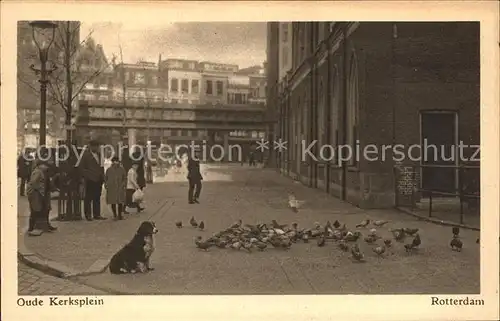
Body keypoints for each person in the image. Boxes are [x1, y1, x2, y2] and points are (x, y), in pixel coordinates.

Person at [26, 158, 57, 235]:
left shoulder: (44, 171)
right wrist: (40, 189)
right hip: (35, 193)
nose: (46, 167)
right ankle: (31, 227)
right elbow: (33, 183)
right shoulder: (37, 172)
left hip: (43, 193)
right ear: (40, 165)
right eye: (45, 165)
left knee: (45, 209)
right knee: (35, 210)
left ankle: (45, 226)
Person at [79, 140, 106, 221]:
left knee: (97, 197)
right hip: (90, 179)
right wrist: (87, 175)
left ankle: (97, 214)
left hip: (98, 179)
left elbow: (101, 166)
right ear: (90, 146)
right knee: (88, 197)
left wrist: (103, 177)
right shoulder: (85, 155)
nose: (96, 148)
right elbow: (81, 167)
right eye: (94, 146)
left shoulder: (99, 154)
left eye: (97, 146)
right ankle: (88, 215)